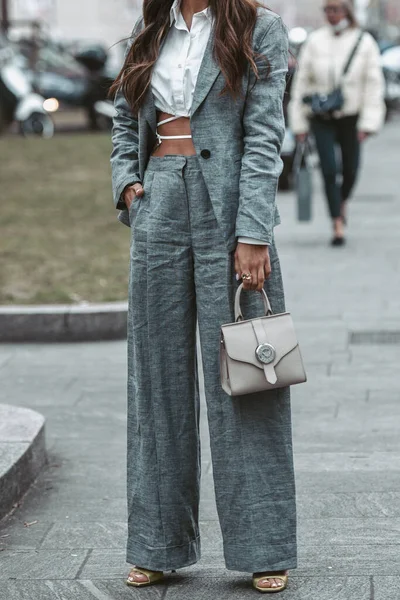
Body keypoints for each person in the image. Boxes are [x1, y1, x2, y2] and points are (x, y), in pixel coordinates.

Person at [110, 0, 296, 593]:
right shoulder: (151, 28)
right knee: (157, 379)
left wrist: (253, 233)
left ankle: (264, 548)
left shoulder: (258, 27)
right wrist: (128, 184)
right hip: (159, 201)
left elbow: (265, 136)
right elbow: (122, 118)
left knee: (246, 373)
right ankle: (156, 545)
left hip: (230, 213)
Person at [289, 0, 385, 246]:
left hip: (351, 118)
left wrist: (369, 123)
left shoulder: (364, 42)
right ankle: (337, 222)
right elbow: (301, 83)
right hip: (321, 117)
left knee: (351, 170)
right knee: (329, 169)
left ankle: (342, 200)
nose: (331, 15)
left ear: (348, 11)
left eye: (336, 9)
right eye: (327, 10)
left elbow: (374, 85)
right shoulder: (315, 41)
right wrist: (299, 124)